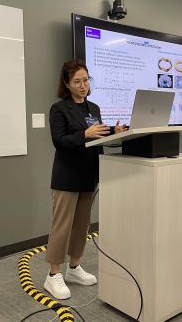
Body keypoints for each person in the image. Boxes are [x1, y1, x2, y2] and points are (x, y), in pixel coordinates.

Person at [44, 60, 126, 299]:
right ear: (67, 84)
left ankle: (74, 267)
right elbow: (59, 141)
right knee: (62, 227)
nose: (83, 85)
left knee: (82, 226)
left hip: (89, 174)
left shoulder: (94, 108)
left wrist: (114, 132)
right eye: (77, 81)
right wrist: (84, 134)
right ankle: (53, 275)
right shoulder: (59, 109)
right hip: (67, 176)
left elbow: (96, 135)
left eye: (86, 80)